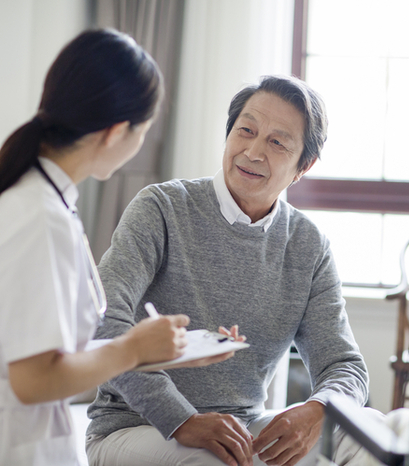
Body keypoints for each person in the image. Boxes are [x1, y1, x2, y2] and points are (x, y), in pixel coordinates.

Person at [85, 75, 379, 466]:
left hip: (239, 431)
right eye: (246, 131)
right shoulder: (161, 207)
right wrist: (182, 419)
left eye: (277, 142)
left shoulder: (309, 246)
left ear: (302, 166)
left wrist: (319, 409)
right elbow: (105, 317)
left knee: (369, 431)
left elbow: (345, 365)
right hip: (134, 429)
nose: (254, 151)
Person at [0, 29, 209, 466]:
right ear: (117, 132)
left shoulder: (43, 199)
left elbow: (47, 354)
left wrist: (147, 348)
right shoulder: (39, 216)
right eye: (144, 132)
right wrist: (130, 350)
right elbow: (33, 379)